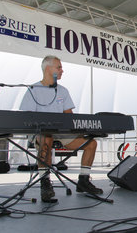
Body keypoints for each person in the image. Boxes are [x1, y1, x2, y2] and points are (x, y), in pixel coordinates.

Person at [20, 55, 102, 203]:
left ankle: (83, 181)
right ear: (48, 69)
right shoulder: (33, 90)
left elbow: (69, 117)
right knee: (46, 138)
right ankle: (45, 184)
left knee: (91, 143)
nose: (62, 70)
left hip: (61, 132)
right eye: (59, 67)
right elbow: (27, 117)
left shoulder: (63, 91)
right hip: (41, 133)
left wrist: (83, 130)